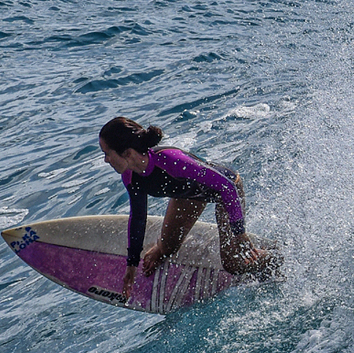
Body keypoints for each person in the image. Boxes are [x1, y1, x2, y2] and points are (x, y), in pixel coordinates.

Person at [98, 116, 276, 298]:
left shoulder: (170, 160)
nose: (106, 160)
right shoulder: (130, 176)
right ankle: (164, 246)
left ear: (127, 153)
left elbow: (226, 186)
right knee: (166, 249)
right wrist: (132, 265)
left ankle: (276, 258)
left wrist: (239, 233)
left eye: (107, 153)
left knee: (233, 262)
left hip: (226, 193)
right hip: (188, 195)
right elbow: (138, 218)